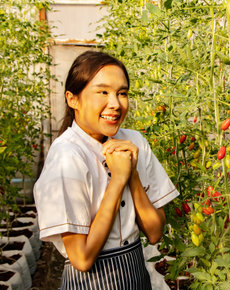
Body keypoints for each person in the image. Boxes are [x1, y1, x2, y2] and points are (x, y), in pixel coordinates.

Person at [34, 51, 179, 289]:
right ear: (73, 99)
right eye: (103, 92)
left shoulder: (135, 142)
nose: (115, 103)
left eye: (122, 93)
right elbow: (81, 258)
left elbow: (154, 233)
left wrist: (132, 174)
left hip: (136, 275)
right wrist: (117, 180)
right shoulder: (67, 156)